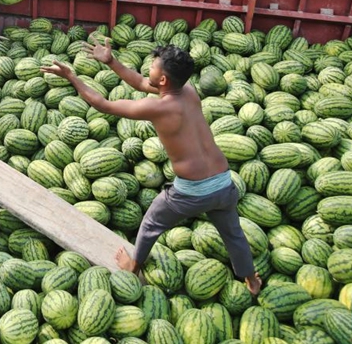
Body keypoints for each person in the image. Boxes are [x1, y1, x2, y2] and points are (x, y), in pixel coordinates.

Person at [41, 41, 263, 296]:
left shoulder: (158, 108)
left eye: (153, 67)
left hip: (191, 192)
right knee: (233, 234)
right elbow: (141, 83)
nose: (149, 68)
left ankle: (133, 267)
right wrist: (111, 62)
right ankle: (251, 280)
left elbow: (103, 104)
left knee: (150, 224)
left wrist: (71, 77)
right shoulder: (188, 91)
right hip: (224, 184)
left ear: (164, 80)